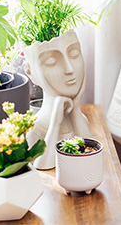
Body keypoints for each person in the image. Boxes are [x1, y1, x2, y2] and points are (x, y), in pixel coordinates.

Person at [23, 30, 91, 169]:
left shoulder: (81, 120)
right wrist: (55, 124)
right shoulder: (36, 127)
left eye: (74, 55)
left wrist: (76, 110)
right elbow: (41, 166)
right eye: (51, 62)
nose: (69, 69)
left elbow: (91, 158)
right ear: (30, 72)